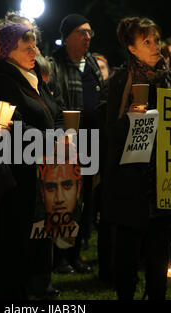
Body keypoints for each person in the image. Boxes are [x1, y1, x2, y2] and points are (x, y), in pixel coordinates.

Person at [103, 17, 171, 300]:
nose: (156, 46)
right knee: (128, 256)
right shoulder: (121, 81)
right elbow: (111, 133)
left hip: (163, 182)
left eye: (156, 40)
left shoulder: (168, 79)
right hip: (131, 184)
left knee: (158, 254)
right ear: (131, 49)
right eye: (147, 42)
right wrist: (131, 117)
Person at [0, 22, 62, 299]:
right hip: (18, 175)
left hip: (40, 170)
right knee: (15, 241)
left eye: (35, 44)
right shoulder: (3, 81)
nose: (35, 50)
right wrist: (53, 140)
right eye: (28, 46)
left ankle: (34, 286)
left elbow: (54, 112)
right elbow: (13, 125)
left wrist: (61, 132)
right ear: (9, 50)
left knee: (34, 238)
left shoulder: (32, 76)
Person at [48, 13, 107, 275]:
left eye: (89, 32)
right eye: (81, 32)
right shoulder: (54, 65)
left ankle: (75, 253)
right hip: (66, 144)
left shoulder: (93, 64)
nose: (87, 37)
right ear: (67, 36)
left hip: (92, 142)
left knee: (84, 202)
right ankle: (59, 255)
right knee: (64, 202)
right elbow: (54, 102)